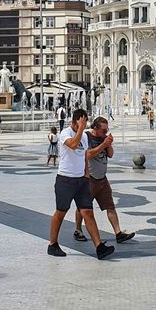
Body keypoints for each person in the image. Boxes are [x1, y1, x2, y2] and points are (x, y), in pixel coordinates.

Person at [47, 109, 114, 260]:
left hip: (82, 181)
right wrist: (81, 129)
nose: (84, 125)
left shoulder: (83, 136)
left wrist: (86, 174)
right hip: (65, 180)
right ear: (75, 121)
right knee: (61, 212)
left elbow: (84, 155)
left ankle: (99, 247)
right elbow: (73, 145)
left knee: (88, 213)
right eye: (82, 122)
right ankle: (53, 244)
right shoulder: (65, 133)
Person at [72, 117, 135, 246]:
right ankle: (78, 230)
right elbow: (88, 154)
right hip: (89, 179)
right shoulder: (86, 137)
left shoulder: (103, 139)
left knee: (110, 206)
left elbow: (110, 155)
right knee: (83, 207)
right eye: (103, 130)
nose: (105, 133)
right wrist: (104, 144)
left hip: (102, 179)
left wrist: (109, 144)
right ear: (95, 128)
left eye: (107, 130)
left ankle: (118, 233)